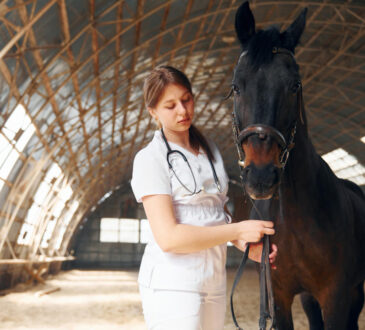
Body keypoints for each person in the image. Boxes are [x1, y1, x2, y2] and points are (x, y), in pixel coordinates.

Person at [130, 65, 277, 330]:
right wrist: (237, 228)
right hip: (172, 286)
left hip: (213, 281)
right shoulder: (149, 159)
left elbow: (215, 214)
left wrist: (242, 241)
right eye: (170, 105)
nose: (183, 111)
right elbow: (169, 238)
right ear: (153, 112)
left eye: (186, 99)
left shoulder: (210, 150)